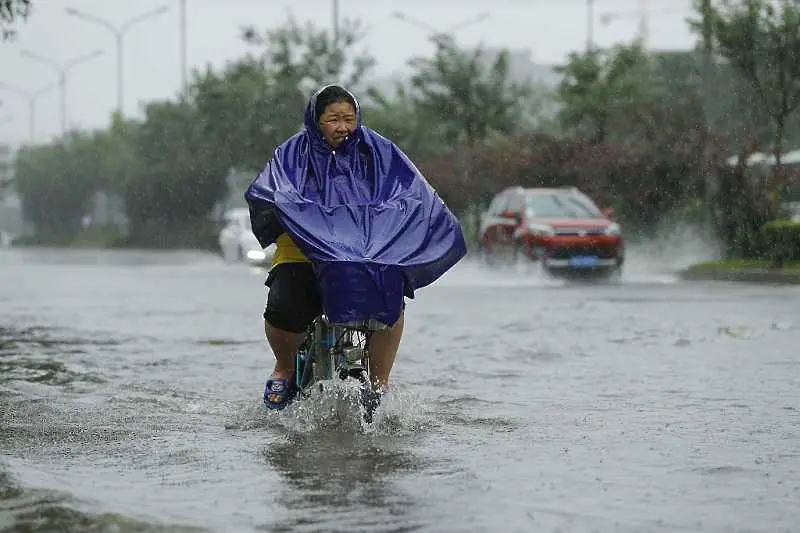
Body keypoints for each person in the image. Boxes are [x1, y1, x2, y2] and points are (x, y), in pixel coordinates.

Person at [246, 85, 466, 410]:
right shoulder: (293, 154)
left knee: (391, 291)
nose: (342, 127)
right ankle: (284, 367)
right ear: (315, 121)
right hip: (302, 254)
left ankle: (378, 382)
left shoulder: (378, 152)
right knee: (284, 304)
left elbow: (408, 191)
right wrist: (308, 219)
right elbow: (274, 189)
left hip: (365, 255)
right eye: (332, 119)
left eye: (349, 119)